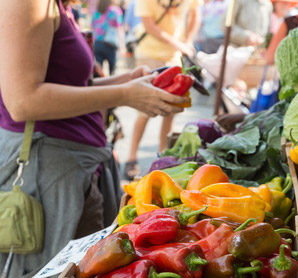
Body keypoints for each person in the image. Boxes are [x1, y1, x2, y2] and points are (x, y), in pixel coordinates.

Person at [0, 0, 189, 277]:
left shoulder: (56, 5)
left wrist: (126, 83)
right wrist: (125, 94)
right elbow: (23, 101)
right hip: (46, 179)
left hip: (74, 171)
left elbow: (70, 87)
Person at [124, 0, 200, 180]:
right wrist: (179, 44)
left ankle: (162, 157)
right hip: (149, 55)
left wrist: (188, 40)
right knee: (144, 110)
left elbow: (197, 14)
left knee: (170, 110)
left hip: (174, 57)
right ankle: (131, 158)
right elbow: (149, 25)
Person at [91, 0, 126, 75]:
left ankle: (99, 85)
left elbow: (92, 27)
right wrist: (122, 46)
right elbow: (120, 29)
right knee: (112, 72)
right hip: (110, 44)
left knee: (98, 71)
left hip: (97, 43)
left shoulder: (97, 11)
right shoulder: (115, 10)